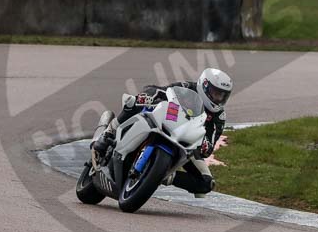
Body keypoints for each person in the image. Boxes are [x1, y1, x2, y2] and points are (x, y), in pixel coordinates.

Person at [92, 68, 233, 196]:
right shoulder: (187, 87)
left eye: (222, 95)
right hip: (166, 122)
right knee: (132, 102)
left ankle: (162, 176)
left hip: (186, 143)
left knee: (206, 183)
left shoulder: (219, 116)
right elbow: (161, 90)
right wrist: (148, 96)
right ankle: (110, 131)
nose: (218, 99)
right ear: (205, 86)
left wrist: (205, 145)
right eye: (215, 93)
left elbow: (210, 142)